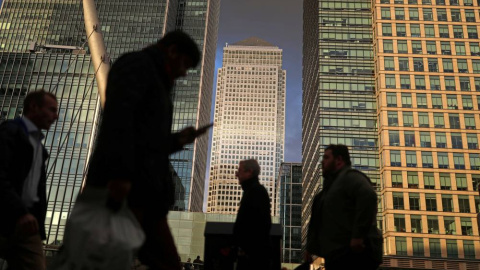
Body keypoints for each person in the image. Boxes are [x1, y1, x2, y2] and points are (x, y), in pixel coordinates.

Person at [85, 31, 210, 270]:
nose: (184, 73)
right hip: (128, 188)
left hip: (145, 192)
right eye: (185, 64)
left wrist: (178, 140)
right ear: (172, 51)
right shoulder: (137, 66)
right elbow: (119, 120)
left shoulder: (157, 80)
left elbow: (148, 139)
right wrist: (120, 176)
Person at [0, 90, 59, 270]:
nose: (55, 116)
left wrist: (37, 225)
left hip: (27, 223)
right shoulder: (9, 132)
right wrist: (19, 212)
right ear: (33, 107)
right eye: (51, 110)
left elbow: (35, 191)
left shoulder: (39, 147)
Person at [306, 144, 382, 270]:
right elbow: (316, 221)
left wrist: (358, 237)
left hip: (354, 258)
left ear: (339, 160)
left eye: (326, 158)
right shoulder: (326, 191)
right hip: (335, 257)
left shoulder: (350, 178)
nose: (322, 162)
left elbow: (368, 196)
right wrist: (310, 248)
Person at [233, 159, 272, 270]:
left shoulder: (256, 191)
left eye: (239, 171)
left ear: (249, 171)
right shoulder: (252, 191)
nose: (236, 174)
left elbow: (262, 226)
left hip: (252, 260)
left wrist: (245, 250)